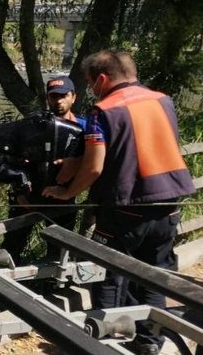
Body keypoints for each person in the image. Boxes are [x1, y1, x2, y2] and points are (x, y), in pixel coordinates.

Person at [42, 51, 195, 355]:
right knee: (153, 278)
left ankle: (106, 346)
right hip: (168, 207)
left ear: (101, 79)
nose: (93, 91)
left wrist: (67, 191)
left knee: (108, 276)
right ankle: (149, 344)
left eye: (90, 84)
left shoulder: (104, 110)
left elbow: (95, 167)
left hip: (124, 209)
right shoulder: (162, 100)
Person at [0, 76, 87, 264]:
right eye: (54, 96)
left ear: (73, 97)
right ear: (47, 98)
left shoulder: (85, 128)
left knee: (60, 251)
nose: (58, 101)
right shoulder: (32, 126)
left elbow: (93, 163)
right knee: (11, 246)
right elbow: (9, 160)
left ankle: (53, 283)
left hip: (63, 199)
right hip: (27, 198)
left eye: (63, 96)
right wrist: (19, 191)